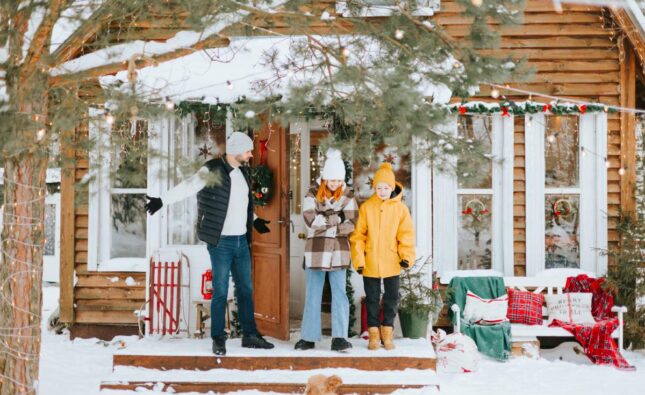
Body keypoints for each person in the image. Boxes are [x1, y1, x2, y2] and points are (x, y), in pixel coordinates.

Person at [145, 131, 275, 355]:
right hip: (220, 242)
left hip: (241, 241)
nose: (251, 155)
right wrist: (162, 200)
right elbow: (187, 186)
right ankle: (218, 338)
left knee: (245, 289)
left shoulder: (243, 173)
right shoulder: (212, 170)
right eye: (248, 151)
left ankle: (250, 335)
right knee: (221, 291)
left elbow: (240, 205)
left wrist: (254, 222)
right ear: (236, 151)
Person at [294, 149, 358, 352]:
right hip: (316, 250)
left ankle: (340, 337)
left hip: (339, 251)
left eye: (338, 180)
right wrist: (337, 219)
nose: (335, 184)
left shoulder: (348, 195)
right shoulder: (311, 194)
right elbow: (311, 220)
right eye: (331, 180)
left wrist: (331, 222)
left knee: (340, 293)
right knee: (313, 292)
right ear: (324, 178)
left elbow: (352, 223)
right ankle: (308, 336)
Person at [350, 162, 415, 350]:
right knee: (372, 299)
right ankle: (373, 335)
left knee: (391, 298)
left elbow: (406, 235)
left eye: (386, 187)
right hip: (370, 262)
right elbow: (358, 236)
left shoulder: (400, 209)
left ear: (392, 187)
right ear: (374, 187)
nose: (382, 191)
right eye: (379, 187)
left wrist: (406, 256)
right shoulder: (367, 208)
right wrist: (359, 260)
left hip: (392, 261)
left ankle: (388, 332)